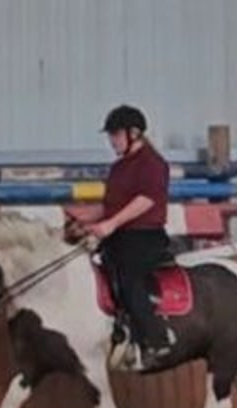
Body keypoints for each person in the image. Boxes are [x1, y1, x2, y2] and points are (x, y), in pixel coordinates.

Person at [82, 105, 172, 367]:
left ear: (134, 133)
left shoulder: (153, 164)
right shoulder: (119, 167)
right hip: (119, 236)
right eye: (111, 135)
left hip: (144, 237)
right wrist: (84, 220)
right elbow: (111, 205)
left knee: (129, 278)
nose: (112, 141)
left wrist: (110, 224)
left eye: (116, 134)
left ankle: (157, 339)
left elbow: (146, 200)